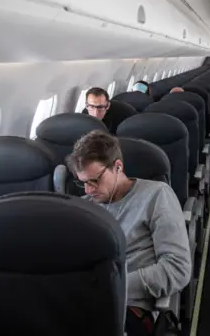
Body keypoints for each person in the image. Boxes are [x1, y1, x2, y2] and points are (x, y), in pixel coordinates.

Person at [66, 130, 192, 336]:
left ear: (118, 167)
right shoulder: (83, 208)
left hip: (127, 307)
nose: (88, 191)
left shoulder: (156, 195)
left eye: (94, 181)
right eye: (83, 182)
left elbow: (177, 268)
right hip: (80, 302)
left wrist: (113, 288)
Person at [168, 87, 210, 169]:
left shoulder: (163, 111)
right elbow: (209, 128)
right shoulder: (191, 109)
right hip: (195, 149)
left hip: (170, 156)